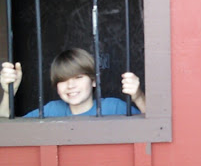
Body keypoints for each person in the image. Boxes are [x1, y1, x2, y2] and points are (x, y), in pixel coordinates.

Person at [0, 48, 145, 117]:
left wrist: (138, 96)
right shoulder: (51, 111)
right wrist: (8, 93)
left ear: (94, 81)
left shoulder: (113, 107)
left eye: (78, 77)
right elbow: (6, 128)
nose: (70, 85)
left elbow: (153, 126)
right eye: (63, 80)